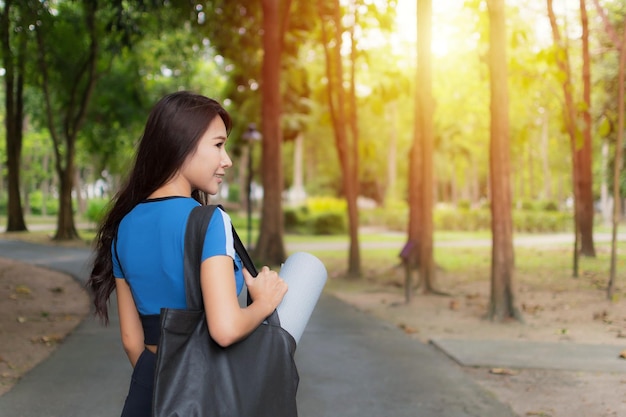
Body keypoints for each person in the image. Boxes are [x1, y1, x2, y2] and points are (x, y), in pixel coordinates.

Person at [87, 91, 288, 417]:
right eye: (218, 145)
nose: (227, 160)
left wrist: (165, 383)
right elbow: (225, 329)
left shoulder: (123, 226)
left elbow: (130, 339)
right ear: (182, 143)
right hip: (204, 396)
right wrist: (265, 302)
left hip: (148, 394)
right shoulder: (209, 222)